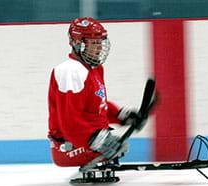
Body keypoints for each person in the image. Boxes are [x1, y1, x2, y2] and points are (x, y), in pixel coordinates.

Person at [48, 17, 140, 167]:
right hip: (69, 147)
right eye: (93, 43)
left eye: (100, 43)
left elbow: (96, 106)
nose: (98, 48)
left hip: (86, 140)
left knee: (120, 146)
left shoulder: (94, 68)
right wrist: (97, 140)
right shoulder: (70, 71)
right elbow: (69, 122)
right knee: (118, 146)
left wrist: (122, 116)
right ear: (78, 44)